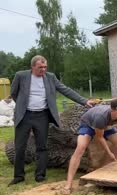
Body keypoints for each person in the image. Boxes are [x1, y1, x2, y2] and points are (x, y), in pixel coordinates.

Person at [9, 55, 94, 186]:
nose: (43, 70)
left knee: (42, 146)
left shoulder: (50, 77)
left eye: (45, 67)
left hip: (42, 116)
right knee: (20, 146)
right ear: (32, 67)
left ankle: (40, 175)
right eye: (40, 67)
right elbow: (14, 93)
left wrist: (84, 101)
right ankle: (19, 176)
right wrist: (22, 105)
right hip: (24, 116)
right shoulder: (21, 76)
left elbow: (66, 90)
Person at [62, 99, 117, 194]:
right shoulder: (101, 117)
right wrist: (109, 153)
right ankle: (68, 184)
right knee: (80, 149)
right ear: (112, 111)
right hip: (89, 124)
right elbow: (100, 137)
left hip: (107, 126)